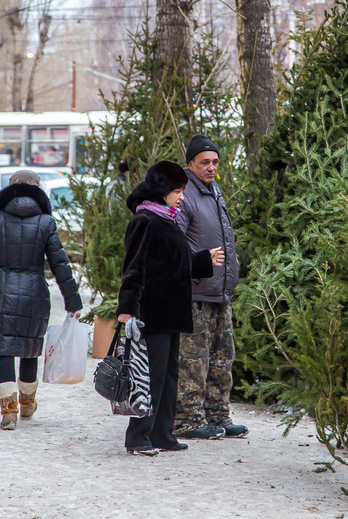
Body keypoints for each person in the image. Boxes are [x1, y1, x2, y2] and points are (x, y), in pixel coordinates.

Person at [116, 160, 223, 456]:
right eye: (177, 191)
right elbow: (133, 268)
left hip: (171, 312)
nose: (182, 197)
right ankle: (138, 437)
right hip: (152, 312)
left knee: (167, 376)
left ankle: (163, 433)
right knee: (149, 376)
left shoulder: (166, 219)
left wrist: (203, 260)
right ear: (162, 191)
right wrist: (127, 309)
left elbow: (176, 264)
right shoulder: (145, 221)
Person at [0, 170, 83, 430]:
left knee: (4, 349)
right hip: (34, 294)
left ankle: (9, 411)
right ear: (37, 190)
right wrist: (73, 302)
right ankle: (28, 403)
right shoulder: (46, 223)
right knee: (30, 349)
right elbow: (60, 265)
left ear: (9, 189)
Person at [173, 135, 247, 440]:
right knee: (194, 361)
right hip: (196, 293)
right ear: (191, 163)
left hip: (220, 292)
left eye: (215, 162)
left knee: (222, 357)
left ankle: (218, 415)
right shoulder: (185, 195)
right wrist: (199, 265)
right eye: (205, 162)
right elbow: (174, 246)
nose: (211, 167)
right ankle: (188, 419)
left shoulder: (214, 191)